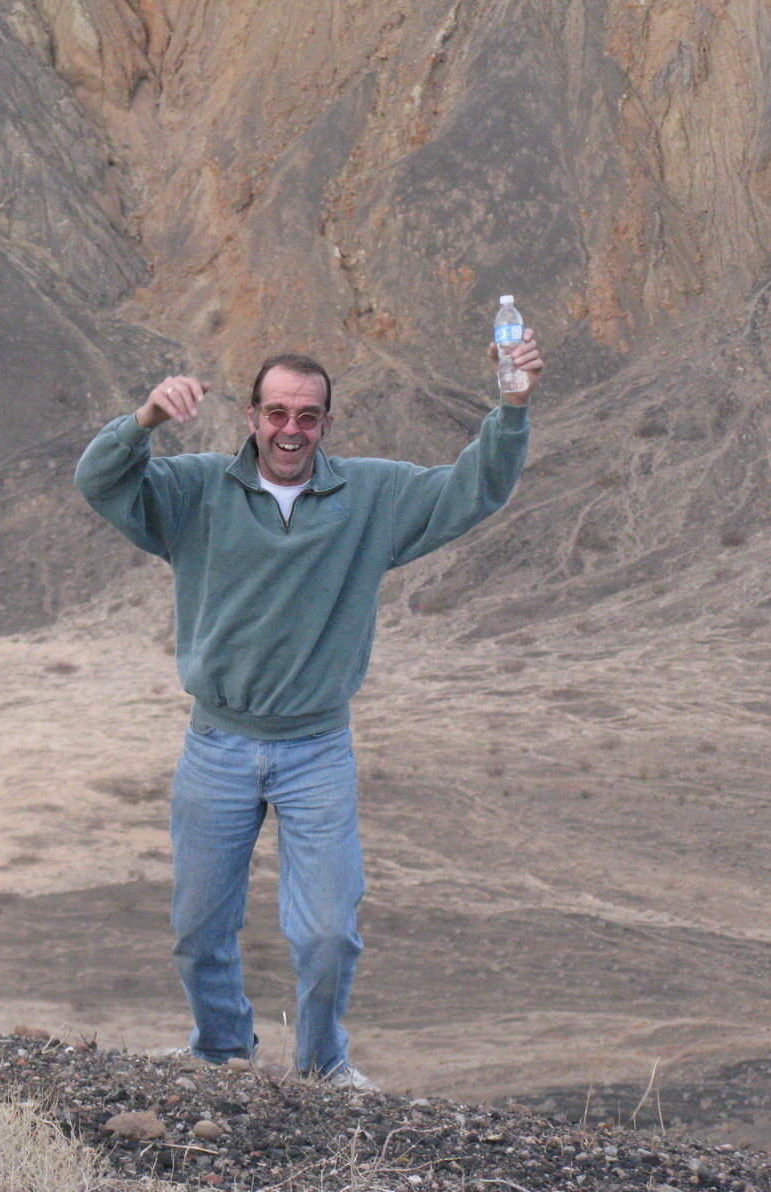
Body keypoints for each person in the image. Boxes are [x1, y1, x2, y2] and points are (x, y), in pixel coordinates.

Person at [73, 332, 544, 1088]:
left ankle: (323, 1067)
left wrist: (512, 407)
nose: (291, 430)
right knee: (198, 931)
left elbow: (472, 488)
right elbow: (99, 482)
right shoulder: (194, 492)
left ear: (328, 423)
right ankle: (221, 1050)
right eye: (277, 413)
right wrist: (145, 420)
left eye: (309, 417)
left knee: (327, 934)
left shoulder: (372, 498)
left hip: (317, 752)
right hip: (217, 745)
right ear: (253, 416)